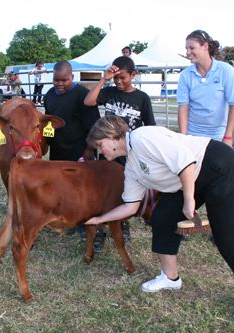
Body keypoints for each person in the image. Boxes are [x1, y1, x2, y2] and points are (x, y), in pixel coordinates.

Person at [85, 115, 234, 323]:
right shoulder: (132, 165)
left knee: (228, 231)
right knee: (163, 218)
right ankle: (171, 278)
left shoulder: (141, 137)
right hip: (186, 178)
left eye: (100, 145)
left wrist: (189, 200)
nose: (100, 151)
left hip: (215, 165)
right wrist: (99, 219)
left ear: (111, 136)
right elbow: (131, 206)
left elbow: (185, 161)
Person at [84, 55, 156, 245]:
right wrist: (104, 79)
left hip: (130, 153)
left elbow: (150, 126)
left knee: (126, 190)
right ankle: (100, 229)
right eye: (115, 78)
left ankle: (122, 224)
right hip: (108, 152)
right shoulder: (109, 92)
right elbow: (89, 102)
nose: (118, 81)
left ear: (134, 75)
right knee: (103, 189)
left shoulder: (142, 98)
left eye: (122, 77)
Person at [44, 60, 102, 245]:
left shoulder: (82, 95)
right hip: (58, 148)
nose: (60, 84)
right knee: (61, 185)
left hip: (80, 148)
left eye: (64, 80)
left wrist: (89, 149)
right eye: (56, 80)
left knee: (81, 188)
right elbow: (48, 123)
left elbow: (94, 125)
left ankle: (84, 222)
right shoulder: (49, 95)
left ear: (72, 77)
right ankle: (64, 218)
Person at [177, 30, 234, 147]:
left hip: (218, 135)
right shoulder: (185, 75)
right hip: (193, 135)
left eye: (192, 48)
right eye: (186, 48)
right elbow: (183, 107)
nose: (187, 52)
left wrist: (228, 136)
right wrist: (183, 137)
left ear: (205, 46)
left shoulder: (225, 71)